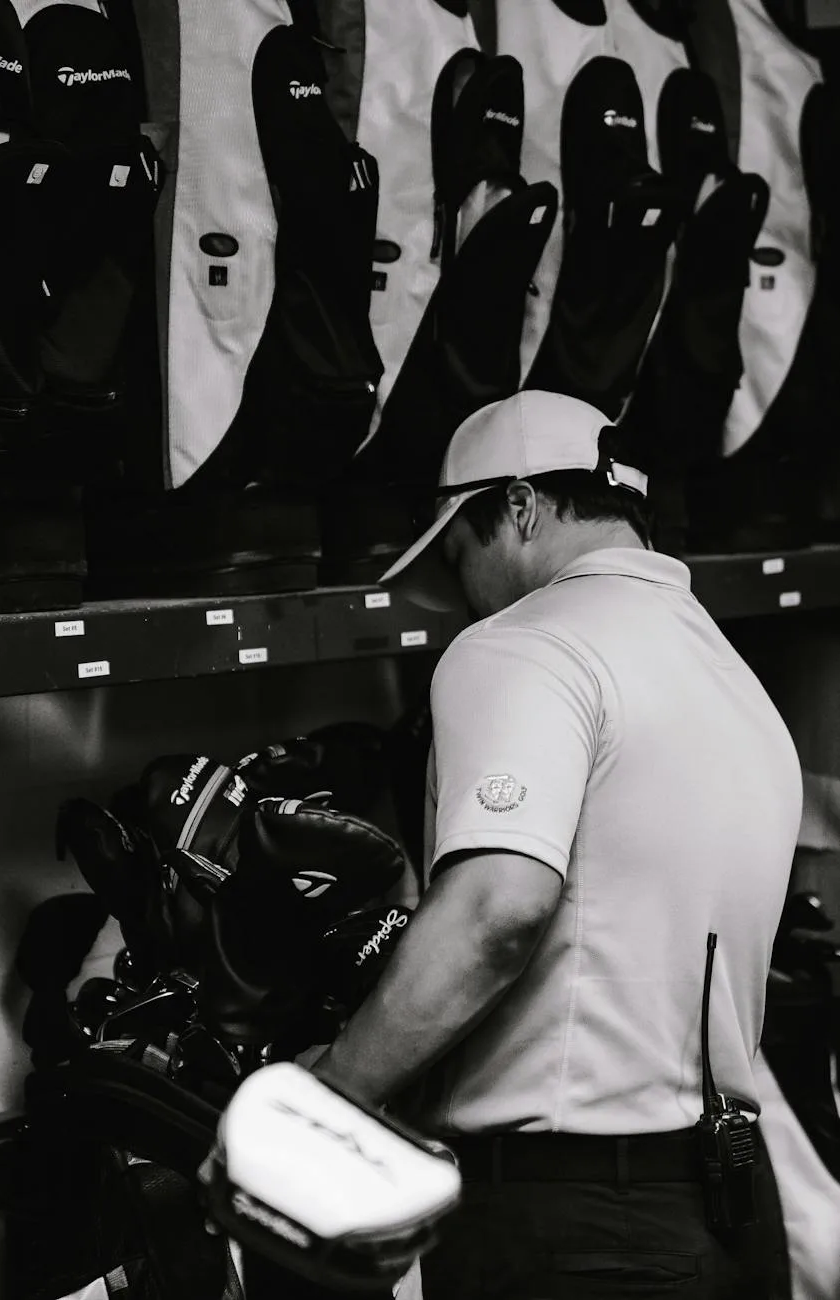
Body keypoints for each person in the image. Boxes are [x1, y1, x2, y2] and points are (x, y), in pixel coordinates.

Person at [310, 390, 802, 1299]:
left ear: (520, 505)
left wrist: (332, 1090)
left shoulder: (522, 647)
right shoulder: (731, 676)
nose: (460, 587)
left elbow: (498, 911)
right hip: (730, 1213)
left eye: (458, 547)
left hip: (576, 1226)